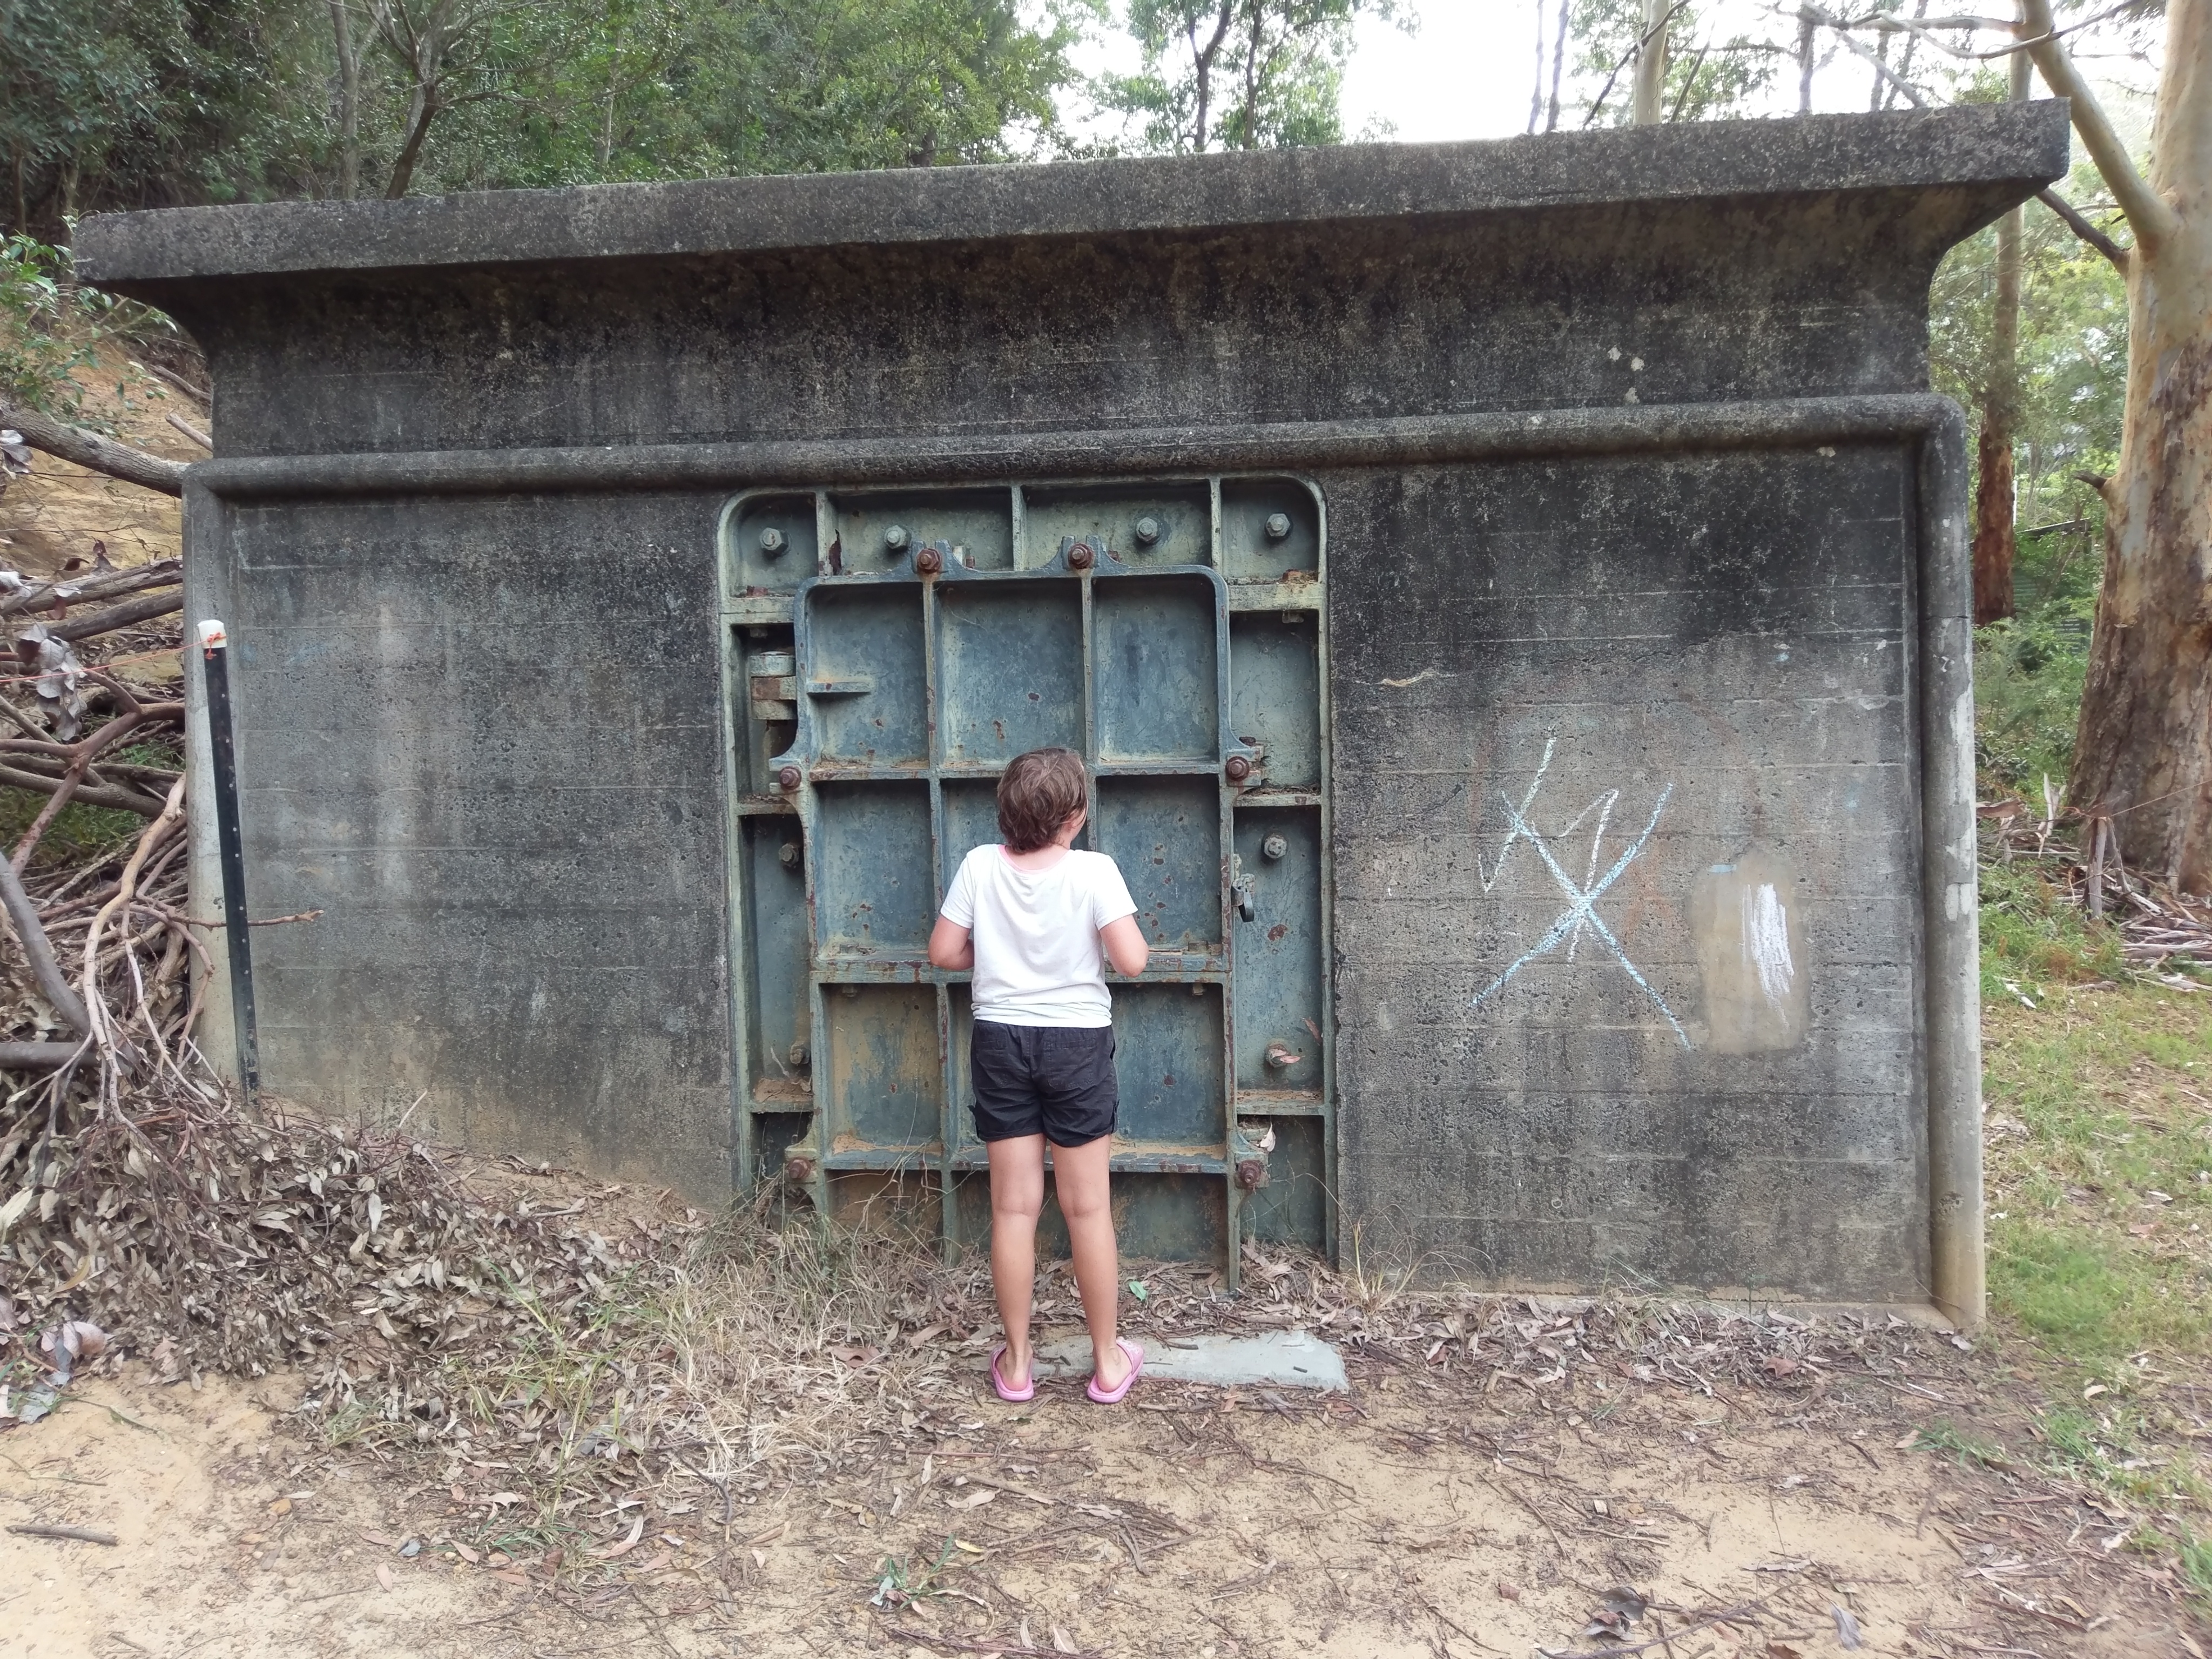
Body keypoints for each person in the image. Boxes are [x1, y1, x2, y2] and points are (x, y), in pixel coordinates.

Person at [928, 746, 1150, 1404]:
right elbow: (1132, 960)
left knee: (1013, 1208)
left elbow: (943, 952)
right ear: (1075, 818)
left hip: (1000, 1041)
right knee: (1088, 1208)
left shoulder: (979, 865)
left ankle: (1019, 1363)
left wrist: (995, 955)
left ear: (1004, 810)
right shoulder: (1094, 871)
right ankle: (1107, 1362)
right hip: (1078, 1044)